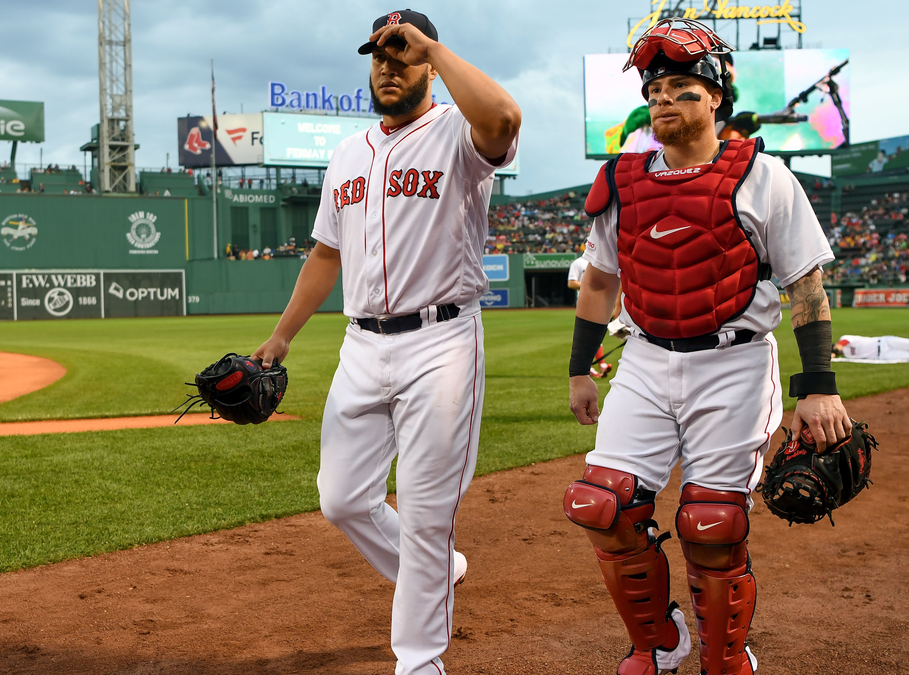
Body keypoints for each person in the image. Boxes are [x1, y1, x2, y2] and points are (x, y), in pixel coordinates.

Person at [564, 19, 850, 675]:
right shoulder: (620, 183)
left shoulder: (764, 176)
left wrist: (819, 387)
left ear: (716, 97)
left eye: (683, 87)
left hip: (735, 361)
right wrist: (581, 368)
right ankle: (659, 641)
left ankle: (725, 653)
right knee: (600, 504)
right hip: (644, 358)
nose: (665, 99)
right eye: (656, 89)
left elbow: (805, 286)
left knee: (712, 522)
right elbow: (602, 280)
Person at [251, 10, 520, 674]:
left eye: (402, 55)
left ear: (429, 64)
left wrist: (433, 47)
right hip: (362, 346)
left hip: (442, 342)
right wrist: (281, 337)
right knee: (342, 496)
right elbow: (324, 254)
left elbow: (506, 119)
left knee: (428, 510)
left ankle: (420, 661)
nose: (388, 65)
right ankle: (437, 570)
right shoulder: (348, 153)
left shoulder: (459, 133)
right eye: (378, 55)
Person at [833, 334, 909, 361]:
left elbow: (841, 345)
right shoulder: (847, 355)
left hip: (884, 342)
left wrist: (833, 352)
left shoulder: (844, 338)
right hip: (883, 355)